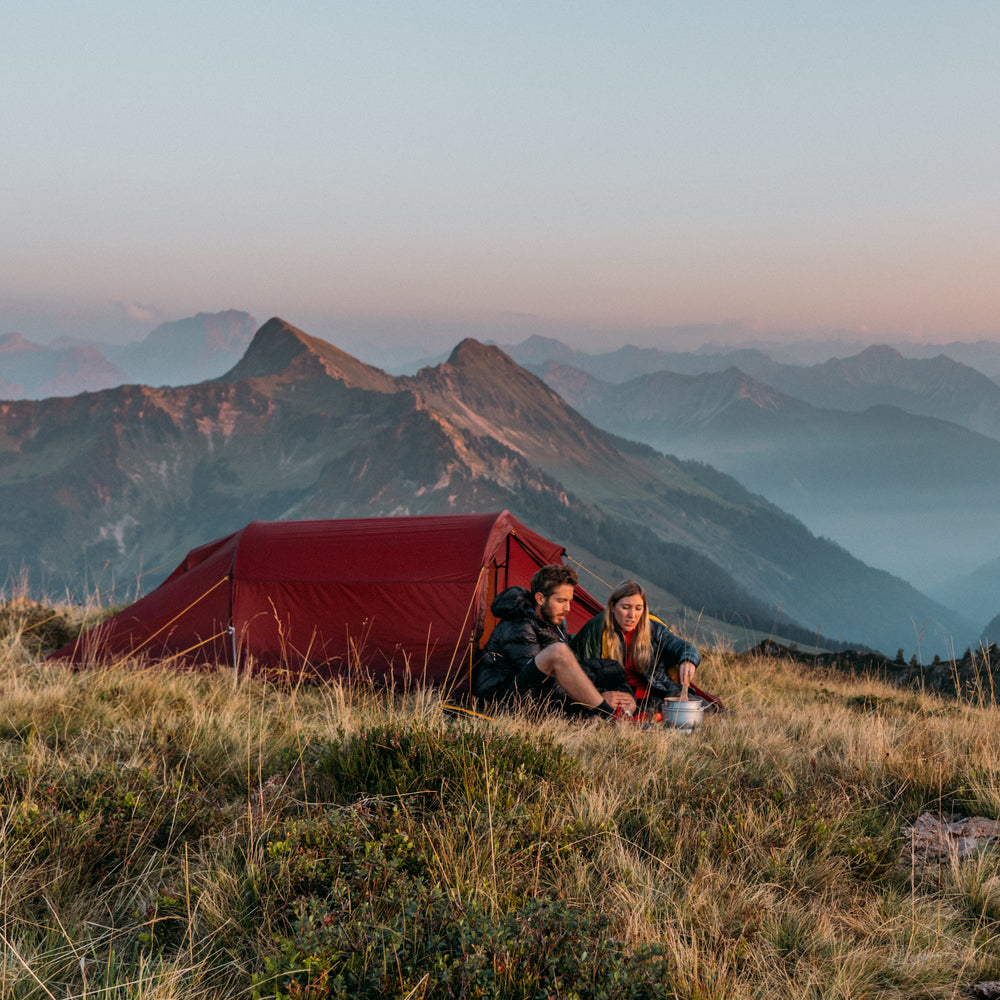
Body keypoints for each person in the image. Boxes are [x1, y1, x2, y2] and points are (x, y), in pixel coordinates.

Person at [473, 564, 636, 719]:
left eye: (569, 601)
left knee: (610, 668)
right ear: (540, 599)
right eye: (561, 601)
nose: (568, 608)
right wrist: (599, 697)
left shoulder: (555, 623)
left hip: (535, 698)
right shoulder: (518, 625)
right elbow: (540, 684)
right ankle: (609, 715)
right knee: (559, 651)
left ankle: (626, 712)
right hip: (498, 703)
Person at [571, 580, 702, 709]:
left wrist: (688, 660)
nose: (632, 615)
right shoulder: (597, 630)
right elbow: (580, 670)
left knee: (702, 708)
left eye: (638, 608)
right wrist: (599, 695)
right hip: (620, 696)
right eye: (625, 608)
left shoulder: (653, 628)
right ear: (612, 607)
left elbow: (683, 647)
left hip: (656, 694)